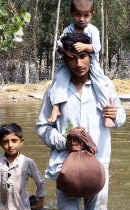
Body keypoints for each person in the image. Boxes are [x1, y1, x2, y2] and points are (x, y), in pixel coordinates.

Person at [35, 32, 126, 210]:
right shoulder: (55, 91)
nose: (78, 64)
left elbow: (121, 116)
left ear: (90, 56)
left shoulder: (104, 85)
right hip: (66, 165)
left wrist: (116, 115)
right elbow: (42, 126)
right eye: (72, 58)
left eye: (82, 57)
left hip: (98, 161)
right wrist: (64, 142)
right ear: (65, 60)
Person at [47, 0, 115, 128]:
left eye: (86, 15)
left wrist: (85, 46)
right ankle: (56, 108)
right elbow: (59, 44)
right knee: (59, 81)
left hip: (93, 64)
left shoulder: (93, 30)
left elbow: (97, 47)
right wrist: (66, 51)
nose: (82, 19)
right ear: (72, 14)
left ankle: (107, 115)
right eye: (78, 15)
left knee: (101, 85)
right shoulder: (68, 29)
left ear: (92, 14)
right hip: (67, 62)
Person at [0, 123, 45, 210]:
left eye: (14, 141)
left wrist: (40, 203)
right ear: (0, 144)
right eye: (5, 141)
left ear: (21, 142)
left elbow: (40, 182)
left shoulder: (28, 162)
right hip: (0, 209)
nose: (10, 145)